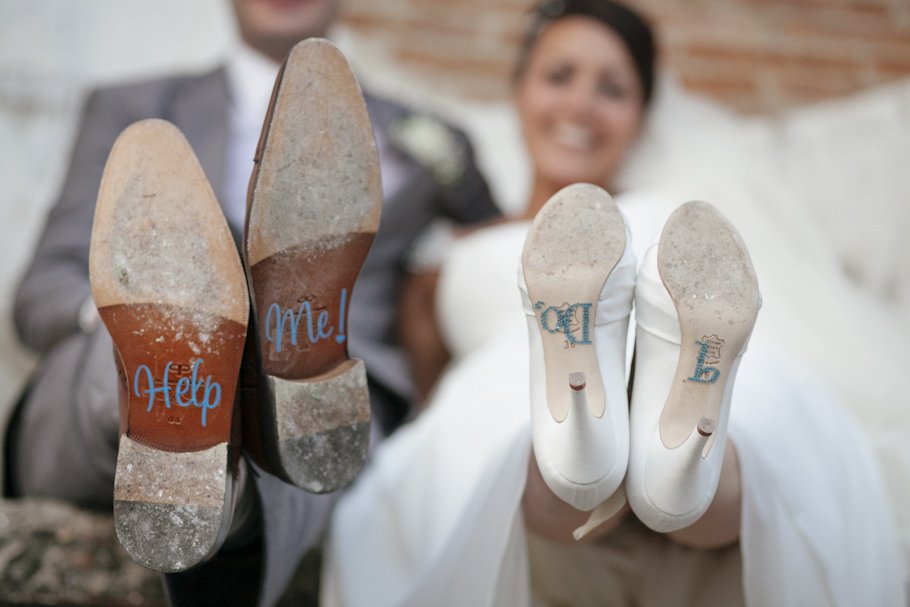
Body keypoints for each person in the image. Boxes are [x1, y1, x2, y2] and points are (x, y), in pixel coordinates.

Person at [322, 1, 907, 605]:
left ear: (641, 117)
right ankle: (663, 454)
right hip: (503, 384)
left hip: (662, 372)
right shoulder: (444, 258)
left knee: (744, 415)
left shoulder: (682, 218)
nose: (581, 105)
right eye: (560, 76)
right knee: (494, 420)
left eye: (612, 89)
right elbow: (428, 394)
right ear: (519, 91)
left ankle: (618, 436)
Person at [4, 0, 499, 604]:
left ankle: (226, 438)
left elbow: (499, 252)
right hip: (95, 396)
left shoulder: (428, 137)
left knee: (298, 412)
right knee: (157, 359)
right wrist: (122, 314)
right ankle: (192, 391)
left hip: (332, 382)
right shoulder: (130, 106)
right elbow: (41, 292)